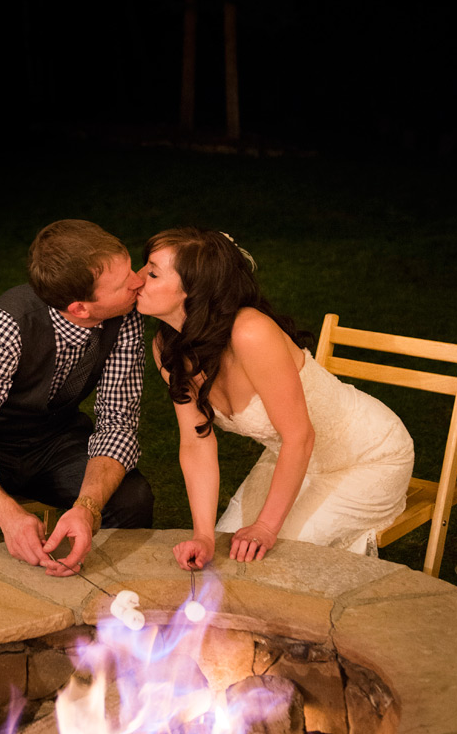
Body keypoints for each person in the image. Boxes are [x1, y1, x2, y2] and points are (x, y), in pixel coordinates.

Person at [136, 228, 414, 570]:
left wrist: (266, 527)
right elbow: (196, 442)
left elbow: (300, 436)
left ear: (194, 289)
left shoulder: (250, 332)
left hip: (365, 458)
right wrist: (203, 535)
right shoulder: (167, 347)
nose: (136, 278)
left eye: (152, 273)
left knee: (269, 560)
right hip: (291, 459)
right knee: (222, 554)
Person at [0, 219, 153, 576]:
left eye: (131, 269)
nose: (139, 281)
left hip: (56, 442)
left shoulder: (124, 314)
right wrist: (9, 516)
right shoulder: (3, 329)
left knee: (133, 500)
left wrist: (87, 508)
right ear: (80, 308)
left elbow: (117, 422)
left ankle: (107, 599)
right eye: (124, 283)